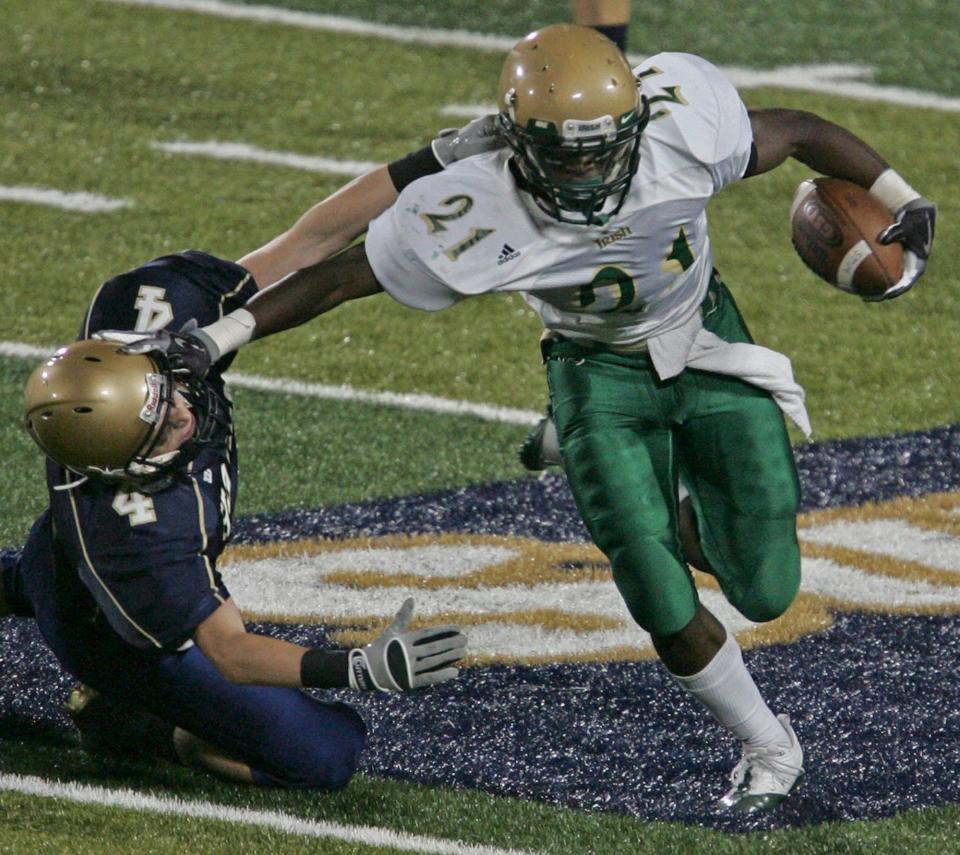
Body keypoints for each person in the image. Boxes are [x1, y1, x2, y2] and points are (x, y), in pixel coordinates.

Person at [117, 24, 936, 811]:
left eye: (605, 149)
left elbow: (798, 130)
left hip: (706, 342)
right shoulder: (479, 203)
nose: (590, 174)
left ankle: (637, 488)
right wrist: (222, 334)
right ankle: (769, 747)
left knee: (767, 587)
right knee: (651, 580)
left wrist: (902, 198)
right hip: (595, 373)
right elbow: (338, 277)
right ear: (516, 145)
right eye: (566, 157)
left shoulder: (685, 131)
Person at [0, 249, 467, 788]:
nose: (183, 414)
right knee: (323, 757)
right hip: (114, 637)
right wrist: (358, 667)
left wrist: (420, 188)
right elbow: (231, 653)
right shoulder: (138, 535)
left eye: (164, 394)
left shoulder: (146, 324)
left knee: (40, 574)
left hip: (58, 559)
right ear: (120, 466)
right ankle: (127, 724)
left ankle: (23, 585)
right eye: (160, 432)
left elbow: (298, 249)